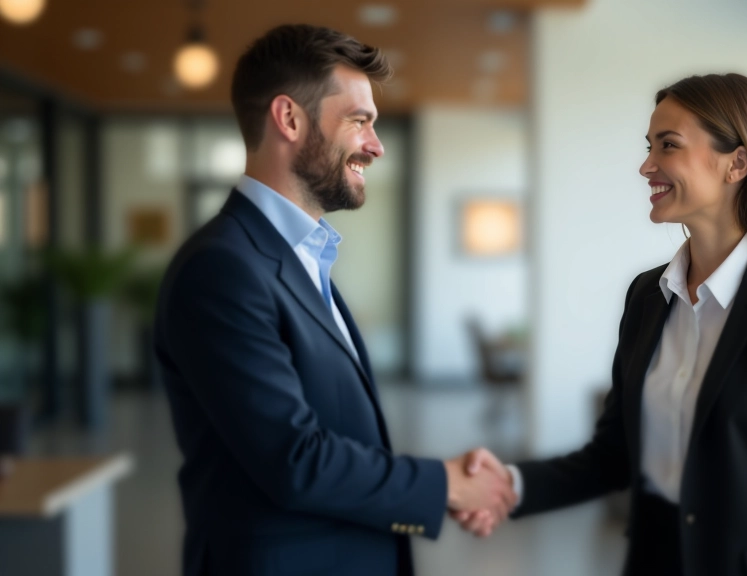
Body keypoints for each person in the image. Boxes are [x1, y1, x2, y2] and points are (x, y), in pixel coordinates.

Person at [455, 73, 747, 575]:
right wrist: (510, 483)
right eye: (649, 146)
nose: (646, 165)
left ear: (736, 164)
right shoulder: (647, 296)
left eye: (668, 146)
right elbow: (614, 454)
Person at [154, 24, 515, 576]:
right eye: (359, 121)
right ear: (290, 119)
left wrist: (445, 485)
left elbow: (337, 431)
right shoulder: (222, 268)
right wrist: (445, 483)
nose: (376, 144)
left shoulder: (300, 256)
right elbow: (294, 458)